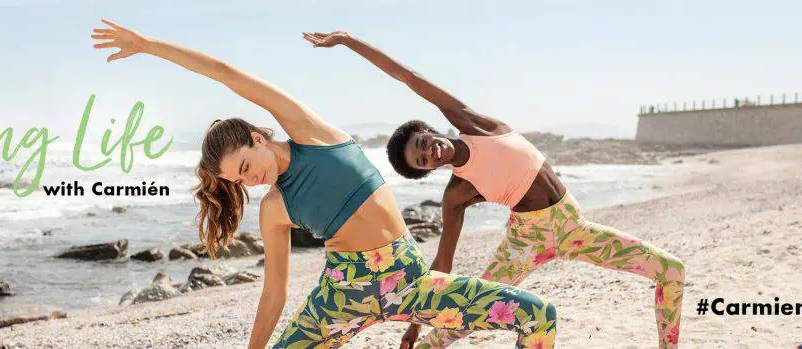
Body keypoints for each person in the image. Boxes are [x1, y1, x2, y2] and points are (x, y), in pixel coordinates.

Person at [92, 20, 558, 349]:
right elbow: (275, 292)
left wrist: (150, 45)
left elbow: (226, 75)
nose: (250, 180)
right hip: (341, 295)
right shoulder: (274, 207)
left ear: (257, 137)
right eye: (239, 181)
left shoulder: (311, 133)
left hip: (410, 280)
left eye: (244, 165)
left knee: (538, 315)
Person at [302, 31, 686, 349]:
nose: (429, 152)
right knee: (466, 315)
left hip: (575, 228)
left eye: (423, 142)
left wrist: (348, 41)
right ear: (428, 170)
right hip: (524, 243)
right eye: (423, 160)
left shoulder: (473, 123)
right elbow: (443, 264)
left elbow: (408, 77)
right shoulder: (457, 193)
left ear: (429, 130)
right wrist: (414, 326)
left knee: (671, 271)